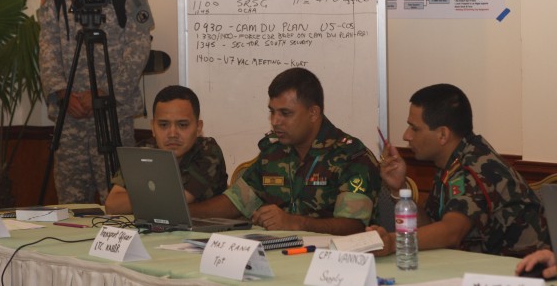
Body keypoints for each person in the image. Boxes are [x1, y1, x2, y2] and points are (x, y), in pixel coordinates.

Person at [38, 0, 154, 204]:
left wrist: (103, 91)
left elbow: (138, 49)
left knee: (118, 201)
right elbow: (47, 42)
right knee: (70, 202)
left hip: (112, 111)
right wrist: (62, 91)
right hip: (71, 113)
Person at [189, 67, 381, 235]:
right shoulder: (274, 152)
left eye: (285, 113)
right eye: (272, 111)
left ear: (313, 113)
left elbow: (354, 226)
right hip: (277, 255)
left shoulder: (351, 156)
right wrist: (181, 213)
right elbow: (234, 203)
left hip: (331, 261)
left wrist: (296, 223)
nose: (275, 121)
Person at [368, 83, 549, 257]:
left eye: (414, 128)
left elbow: (451, 233)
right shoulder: (452, 161)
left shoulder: (475, 167)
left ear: (443, 135)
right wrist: (400, 189)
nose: (406, 136)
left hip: (522, 273)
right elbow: (432, 227)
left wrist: (393, 242)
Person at [105, 85, 228, 214]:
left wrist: (140, 195)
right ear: (153, 127)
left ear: (198, 127)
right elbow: (113, 205)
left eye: (182, 125)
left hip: (203, 231)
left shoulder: (208, 151)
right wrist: (158, 196)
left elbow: (176, 201)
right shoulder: (144, 151)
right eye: (163, 125)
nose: (172, 134)